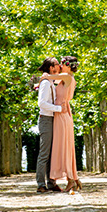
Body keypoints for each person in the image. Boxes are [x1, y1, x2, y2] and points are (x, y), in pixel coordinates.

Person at [41, 56, 82, 192]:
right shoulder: (65, 78)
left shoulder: (67, 77)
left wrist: (43, 77)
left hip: (62, 114)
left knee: (64, 148)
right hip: (61, 114)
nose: (59, 67)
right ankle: (73, 179)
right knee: (64, 147)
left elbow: (48, 78)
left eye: (61, 64)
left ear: (68, 66)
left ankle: (71, 179)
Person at [36, 57, 66, 193]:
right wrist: (59, 108)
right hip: (46, 120)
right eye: (56, 64)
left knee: (52, 153)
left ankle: (51, 182)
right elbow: (41, 103)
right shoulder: (46, 84)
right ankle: (41, 184)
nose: (59, 66)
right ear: (50, 68)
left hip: (52, 120)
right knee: (44, 153)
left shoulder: (50, 81)